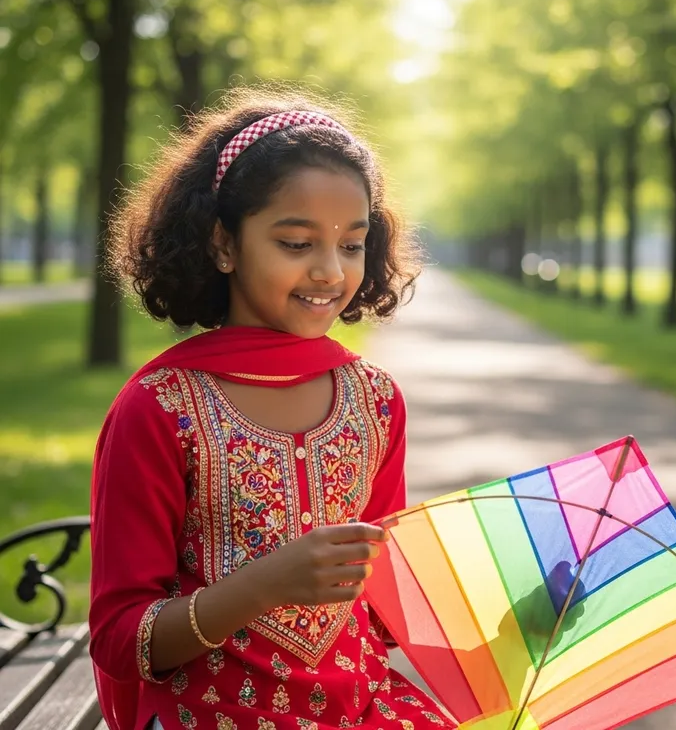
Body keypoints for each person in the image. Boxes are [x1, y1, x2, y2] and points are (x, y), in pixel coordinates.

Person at [88, 87, 455, 730]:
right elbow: (121, 639)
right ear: (224, 244)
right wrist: (260, 586)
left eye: (351, 244)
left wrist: (516, 617)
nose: (329, 272)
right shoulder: (160, 408)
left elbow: (380, 613)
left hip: (364, 709)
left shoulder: (373, 401)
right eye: (295, 243)